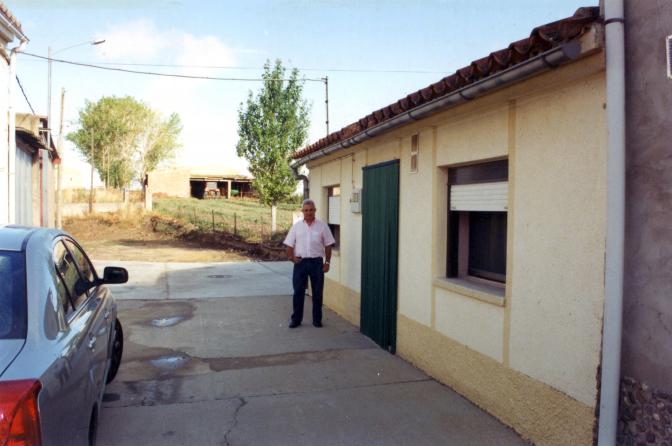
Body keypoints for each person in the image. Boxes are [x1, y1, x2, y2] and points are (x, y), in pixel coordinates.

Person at [284, 199, 335, 328]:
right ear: (302, 211)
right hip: (300, 263)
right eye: (306, 210)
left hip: (316, 263)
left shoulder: (322, 226)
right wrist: (291, 258)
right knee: (298, 292)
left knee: (317, 292)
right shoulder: (296, 227)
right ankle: (296, 320)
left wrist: (327, 262)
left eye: (311, 210)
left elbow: (328, 245)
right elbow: (289, 244)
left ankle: (317, 320)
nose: (309, 212)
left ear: (315, 210)